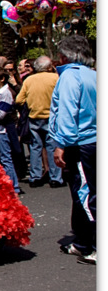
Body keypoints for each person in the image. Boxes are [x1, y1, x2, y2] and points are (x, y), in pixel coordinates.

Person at [49, 35, 97, 265]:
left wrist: (61, 145)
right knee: (85, 192)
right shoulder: (94, 75)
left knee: (86, 195)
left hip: (81, 142)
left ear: (65, 55)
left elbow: (67, 113)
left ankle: (96, 245)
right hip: (93, 140)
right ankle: (83, 241)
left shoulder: (70, 76)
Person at [15, 56, 63, 188]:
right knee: (51, 147)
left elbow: (19, 100)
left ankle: (35, 177)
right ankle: (55, 178)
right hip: (51, 117)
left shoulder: (29, 80)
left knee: (35, 147)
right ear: (49, 67)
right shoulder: (55, 78)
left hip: (34, 116)